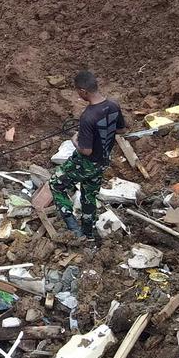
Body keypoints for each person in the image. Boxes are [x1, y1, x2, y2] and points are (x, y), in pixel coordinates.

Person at [49, 70, 125, 239]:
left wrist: (75, 139)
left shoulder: (88, 116)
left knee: (55, 184)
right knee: (89, 195)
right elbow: (120, 129)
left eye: (77, 91)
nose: (78, 94)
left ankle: (72, 225)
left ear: (83, 91)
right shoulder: (113, 106)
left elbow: (86, 150)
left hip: (87, 162)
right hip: (103, 160)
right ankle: (87, 232)